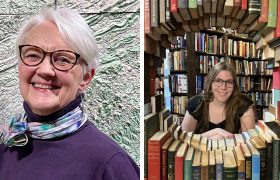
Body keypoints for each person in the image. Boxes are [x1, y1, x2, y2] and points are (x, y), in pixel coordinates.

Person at [0, 7, 139, 180]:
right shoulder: (7, 146)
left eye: (63, 59)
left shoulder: (109, 165)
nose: (44, 70)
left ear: (86, 78)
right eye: (33, 55)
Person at [181, 61, 256, 139]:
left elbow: (251, 140)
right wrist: (216, 132)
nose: (223, 87)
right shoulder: (196, 103)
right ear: (210, 83)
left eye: (229, 82)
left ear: (234, 85)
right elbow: (183, 139)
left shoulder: (243, 103)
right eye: (218, 81)